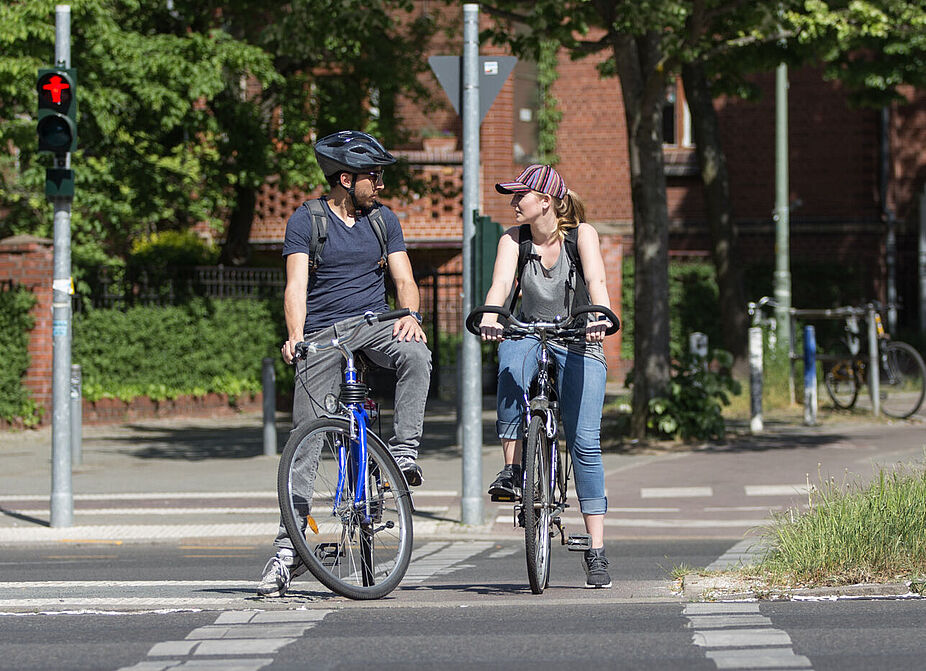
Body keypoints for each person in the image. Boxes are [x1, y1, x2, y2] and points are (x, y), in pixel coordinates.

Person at [257, 130, 432, 597]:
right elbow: (295, 286)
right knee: (305, 442)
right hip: (324, 334)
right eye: (372, 175)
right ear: (343, 177)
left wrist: (411, 316)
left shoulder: (384, 220)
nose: (379, 183)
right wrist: (295, 337)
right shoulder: (306, 220)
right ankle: (288, 548)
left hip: (376, 323)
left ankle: (403, 452)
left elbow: (404, 277)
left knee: (417, 352)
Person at [478, 164, 615, 589]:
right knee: (508, 358)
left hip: (578, 336)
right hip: (529, 331)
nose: (514, 202)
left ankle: (596, 551)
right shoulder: (512, 240)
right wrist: (490, 314)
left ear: (546, 201)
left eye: (521, 196)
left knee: (584, 442)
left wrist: (597, 315)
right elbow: (501, 285)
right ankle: (514, 471)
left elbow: (597, 279)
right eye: (513, 196)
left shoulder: (581, 236)